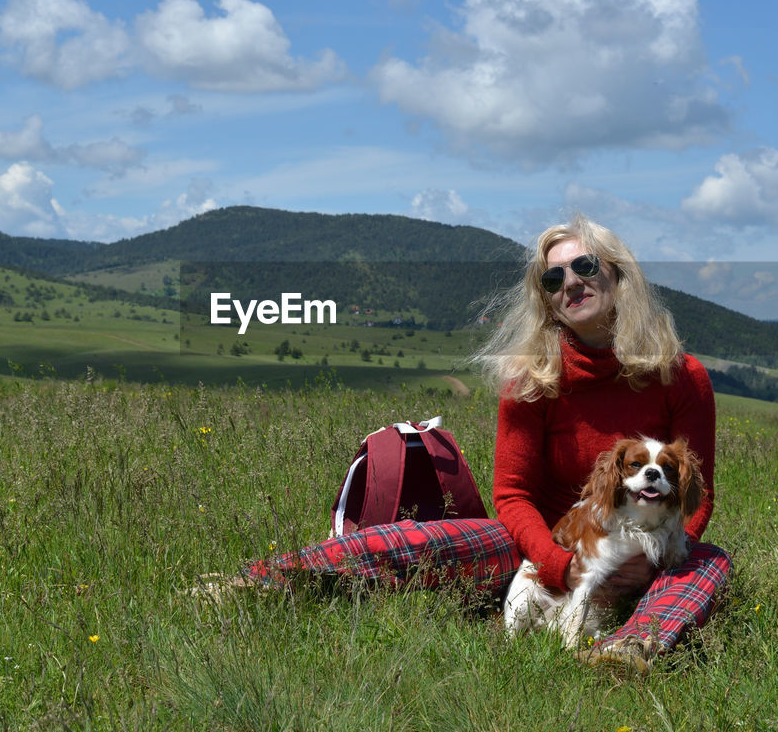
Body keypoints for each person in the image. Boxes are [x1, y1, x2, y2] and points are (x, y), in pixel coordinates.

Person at [203, 214, 730, 674]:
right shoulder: (532, 377)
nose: (570, 283)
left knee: (708, 563)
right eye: (553, 278)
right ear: (545, 300)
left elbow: (695, 496)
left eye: (585, 268)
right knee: (419, 540)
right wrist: (557, 563)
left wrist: (650, 557)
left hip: (646, 546)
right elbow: (512, 493)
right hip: (538, 545)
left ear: (618, 274)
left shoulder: (681, 377)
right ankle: (266, 581)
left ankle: (628, 649)